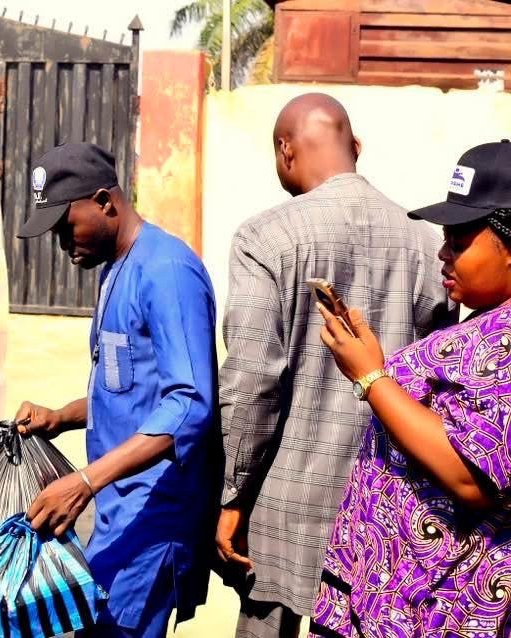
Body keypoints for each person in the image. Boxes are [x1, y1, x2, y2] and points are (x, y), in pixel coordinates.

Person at [217, 93, 453, 637]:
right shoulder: (428, 243)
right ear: (357, 148)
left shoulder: (265, 237)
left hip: (284, 510)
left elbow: (251, 384)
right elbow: (435, 385)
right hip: (386, 511)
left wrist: (233, 495)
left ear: (285, 150)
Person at [14, 142, 220, 638]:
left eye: (66, 228)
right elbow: (126, 390)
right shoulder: (114, 268)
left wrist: (84, 482)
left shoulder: (167, 272)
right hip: (117, 509)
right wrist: (61, 416)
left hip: (154, 514)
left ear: (105, 202)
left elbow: (189, 406)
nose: (62, 245)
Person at [312, 140, 511, 637]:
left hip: (445, 605)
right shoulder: (487, 319)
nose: (443, 253)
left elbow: (472, 476)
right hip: (395, 591)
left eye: (459, 241)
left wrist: (372, 378)